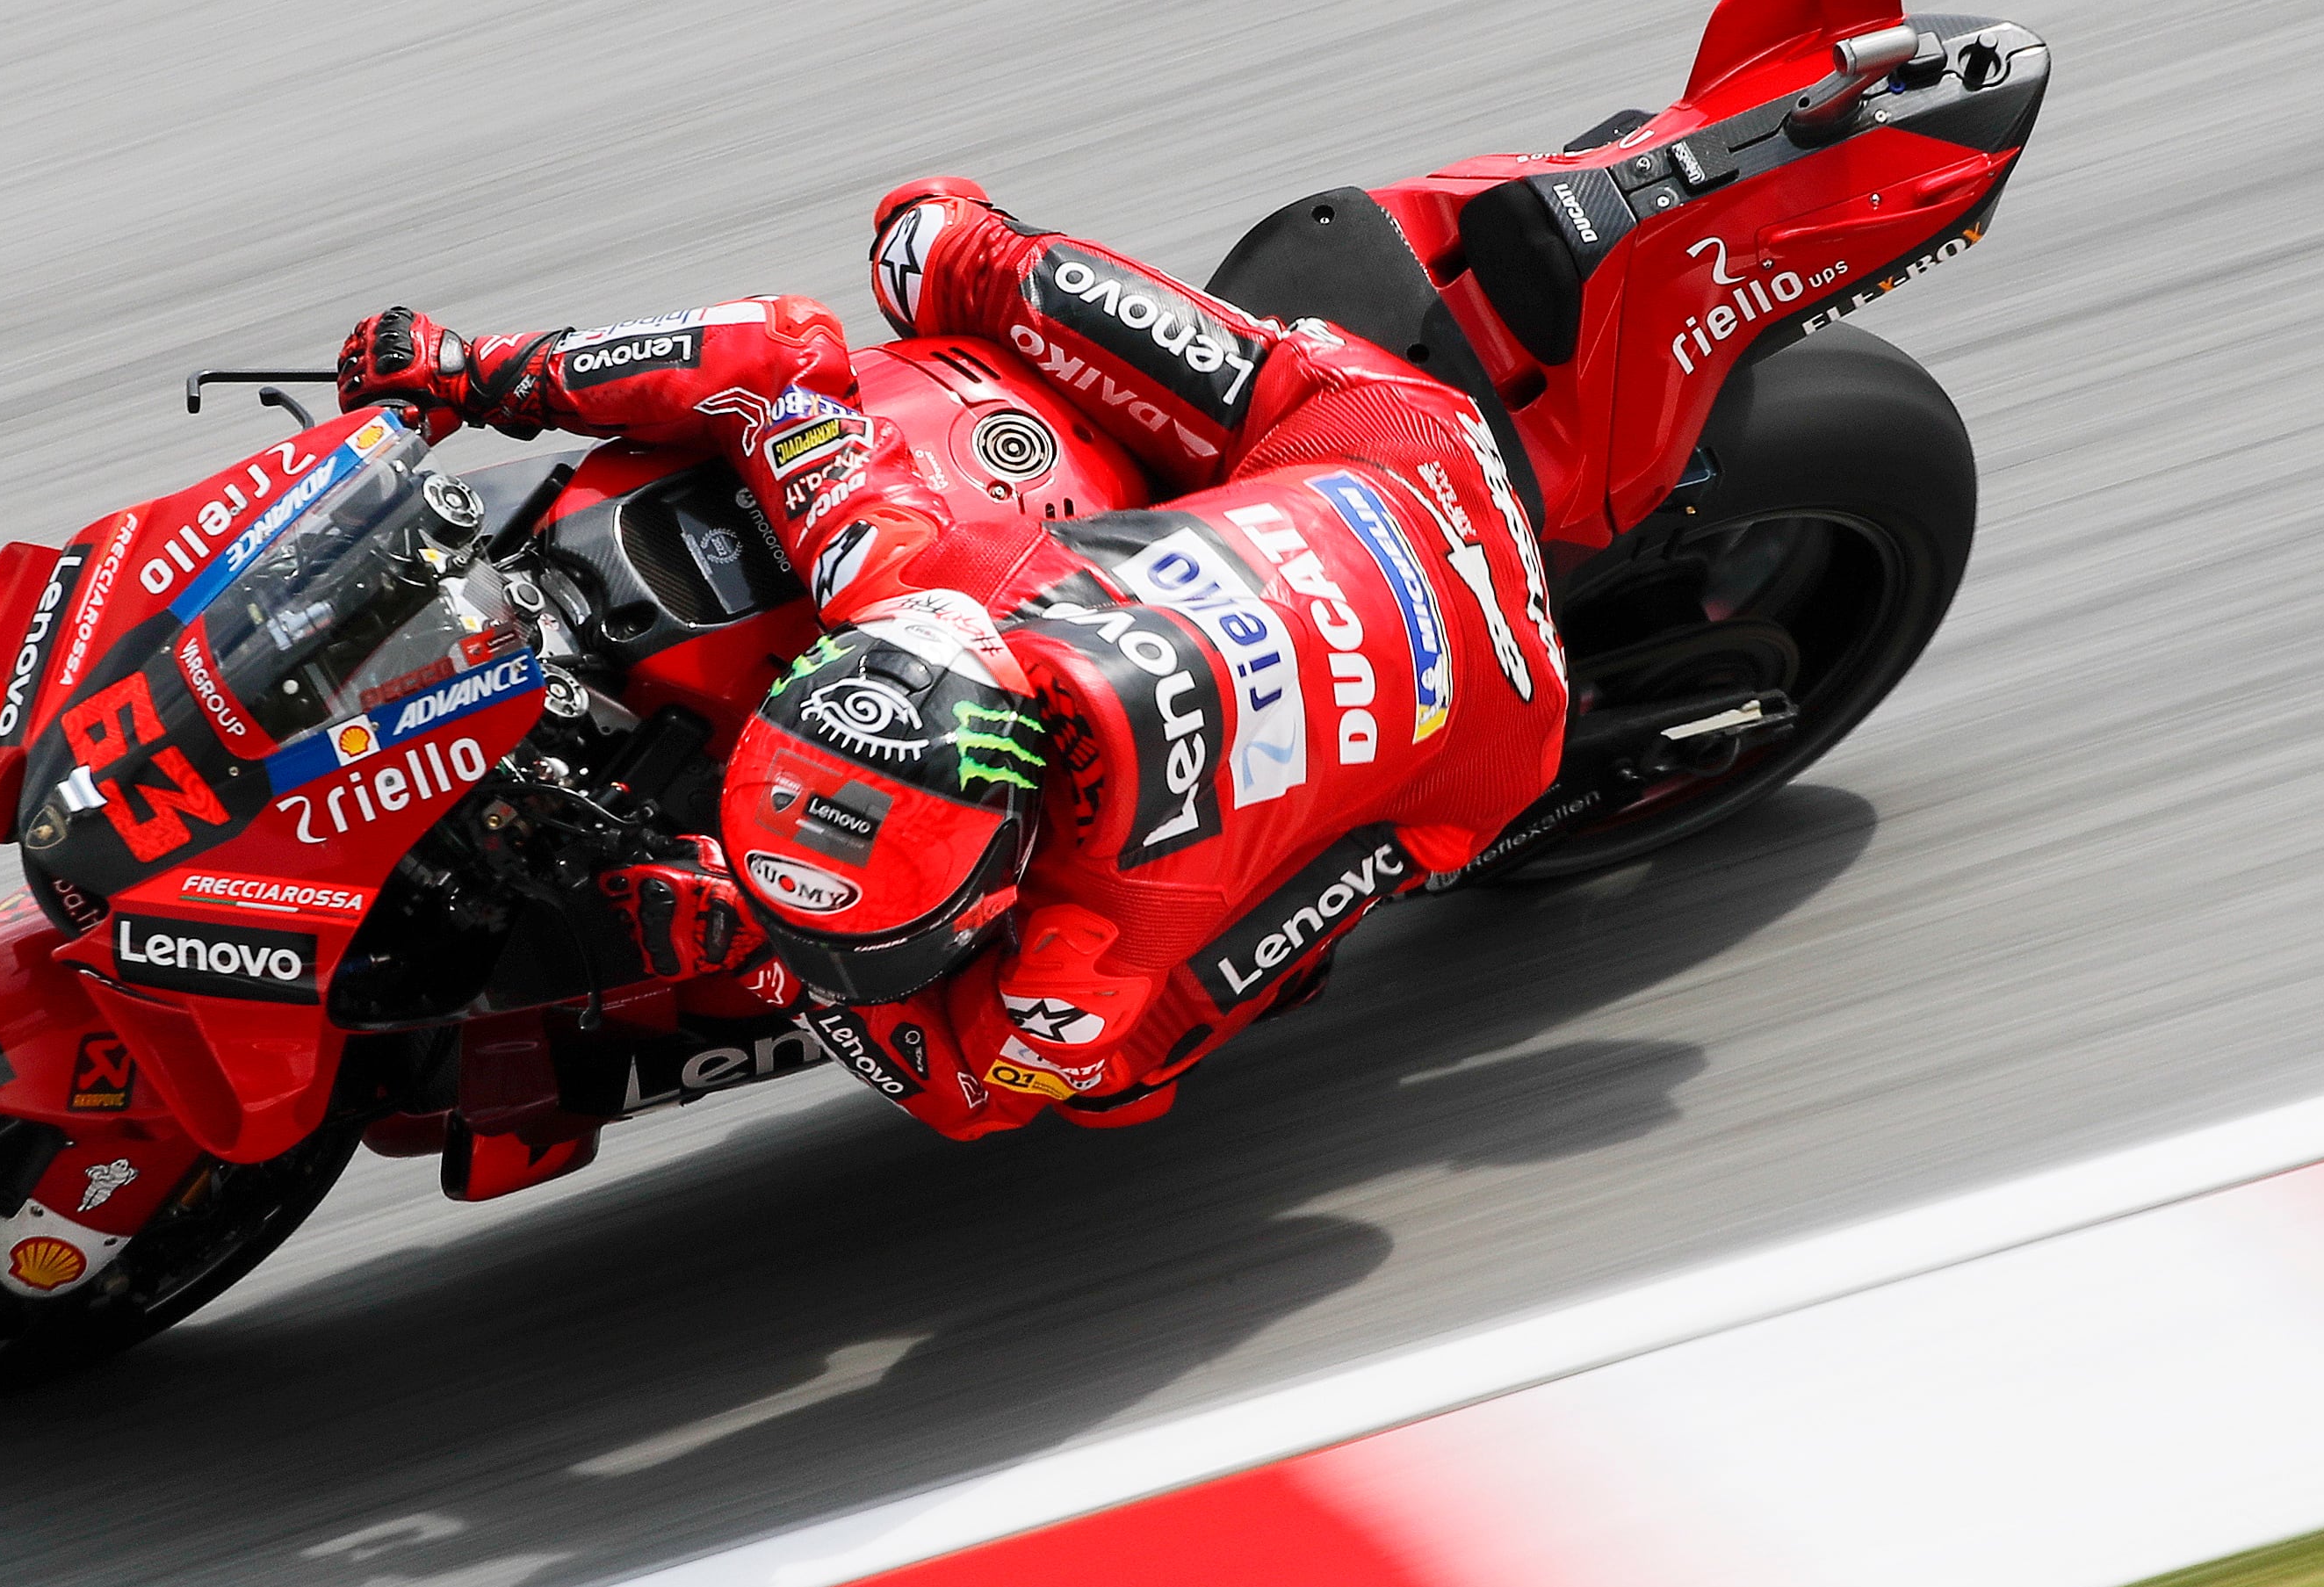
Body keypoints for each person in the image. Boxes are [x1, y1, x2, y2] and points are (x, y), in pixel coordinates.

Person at [336, 177, 1568, 1138]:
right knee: (927, 243)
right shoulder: (912, 586)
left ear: (1005, 890)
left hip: (1489, 723)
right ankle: (977, 249)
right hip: (1384, 459)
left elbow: (991, 1088)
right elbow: (773, 369)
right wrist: (487, 376)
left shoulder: (1096, 940)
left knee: (1127, 1061)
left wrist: (779, 964)